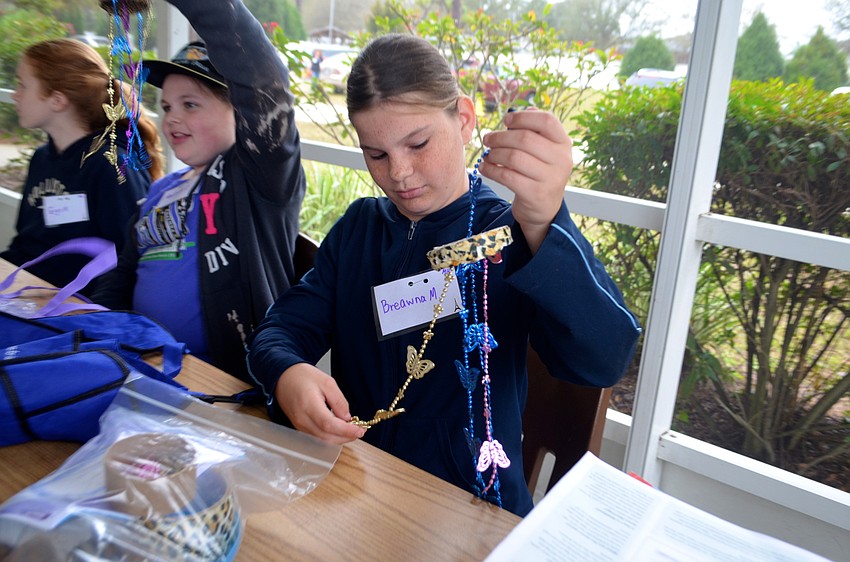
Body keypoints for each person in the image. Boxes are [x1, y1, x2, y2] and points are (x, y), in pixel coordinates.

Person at [247, 34, 641, 517]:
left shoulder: (510, 236)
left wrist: (544, 224)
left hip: (472, 510)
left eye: (418, 143)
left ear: (464, 120)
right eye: (376, 154)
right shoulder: (359, 230)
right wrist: (287, 373)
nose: (401, 174)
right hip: (357, 489)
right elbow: (280, 329)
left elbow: (603, 358)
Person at [93, 0, 306, 382]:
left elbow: (262, 83)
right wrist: (98, 330)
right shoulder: (159, 193)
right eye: (168, 105)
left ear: (240, 112)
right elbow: (125, 273)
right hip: (142, 365)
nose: (172, 117)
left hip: (222, 382)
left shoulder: (259, 179)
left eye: (191, 104)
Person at [1, 38, 162, 295]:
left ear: (57, 100)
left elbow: (130, 261)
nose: (15, 95)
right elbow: (28, 243)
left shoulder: (111, 164)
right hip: (29, 293)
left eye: (22, 85)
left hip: (79, 310)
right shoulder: (42, 158)